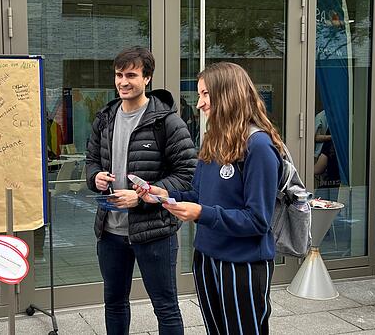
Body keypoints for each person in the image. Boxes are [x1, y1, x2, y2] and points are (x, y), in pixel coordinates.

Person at [138, 62, 283, 335]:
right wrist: (164, 194)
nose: (199, 104)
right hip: (206, 258)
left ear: (227, 94)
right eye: (199, 95)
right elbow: (198, 195)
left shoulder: (259, 146)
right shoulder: (213, 141)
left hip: (243, 264)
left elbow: (258, 220)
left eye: (205, 95)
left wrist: (201, 214)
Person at [85, 46, 197, 335]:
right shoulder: (105, 118)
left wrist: (141, 197)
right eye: (119, 75)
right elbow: (92, 160)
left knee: (165, 305)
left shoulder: (167, 122)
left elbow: (187, 175)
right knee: (114, 302)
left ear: (147, 78)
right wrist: (94, 176)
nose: (123, 82)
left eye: (131, 75)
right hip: (110, 232)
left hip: (154, 232)